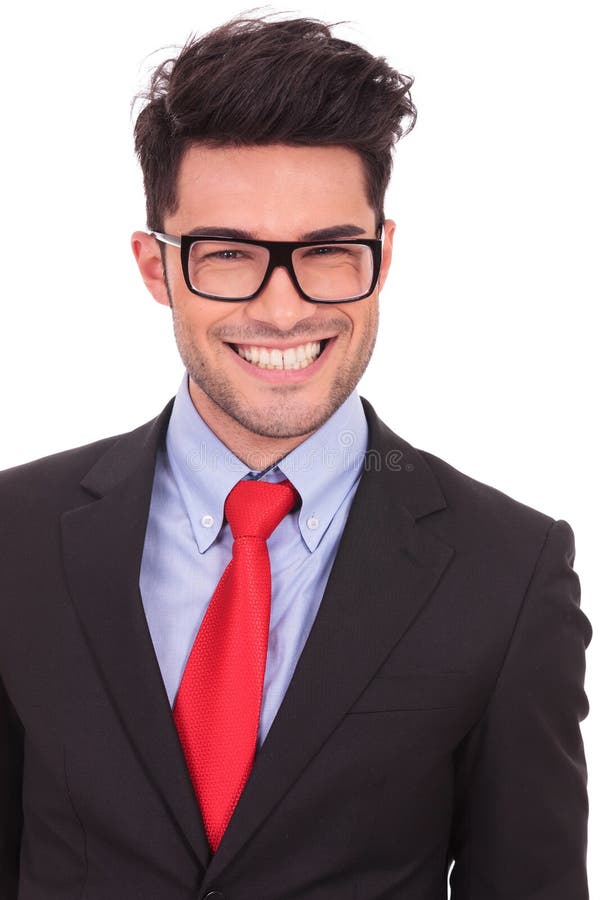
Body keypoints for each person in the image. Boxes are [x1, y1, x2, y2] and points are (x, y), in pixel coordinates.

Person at [0, 14, 591, 900]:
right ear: (156, 268)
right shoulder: (17, 534)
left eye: (326, 251)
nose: (283, 310)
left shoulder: (508, 569)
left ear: (381, 259)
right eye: (229, 254)